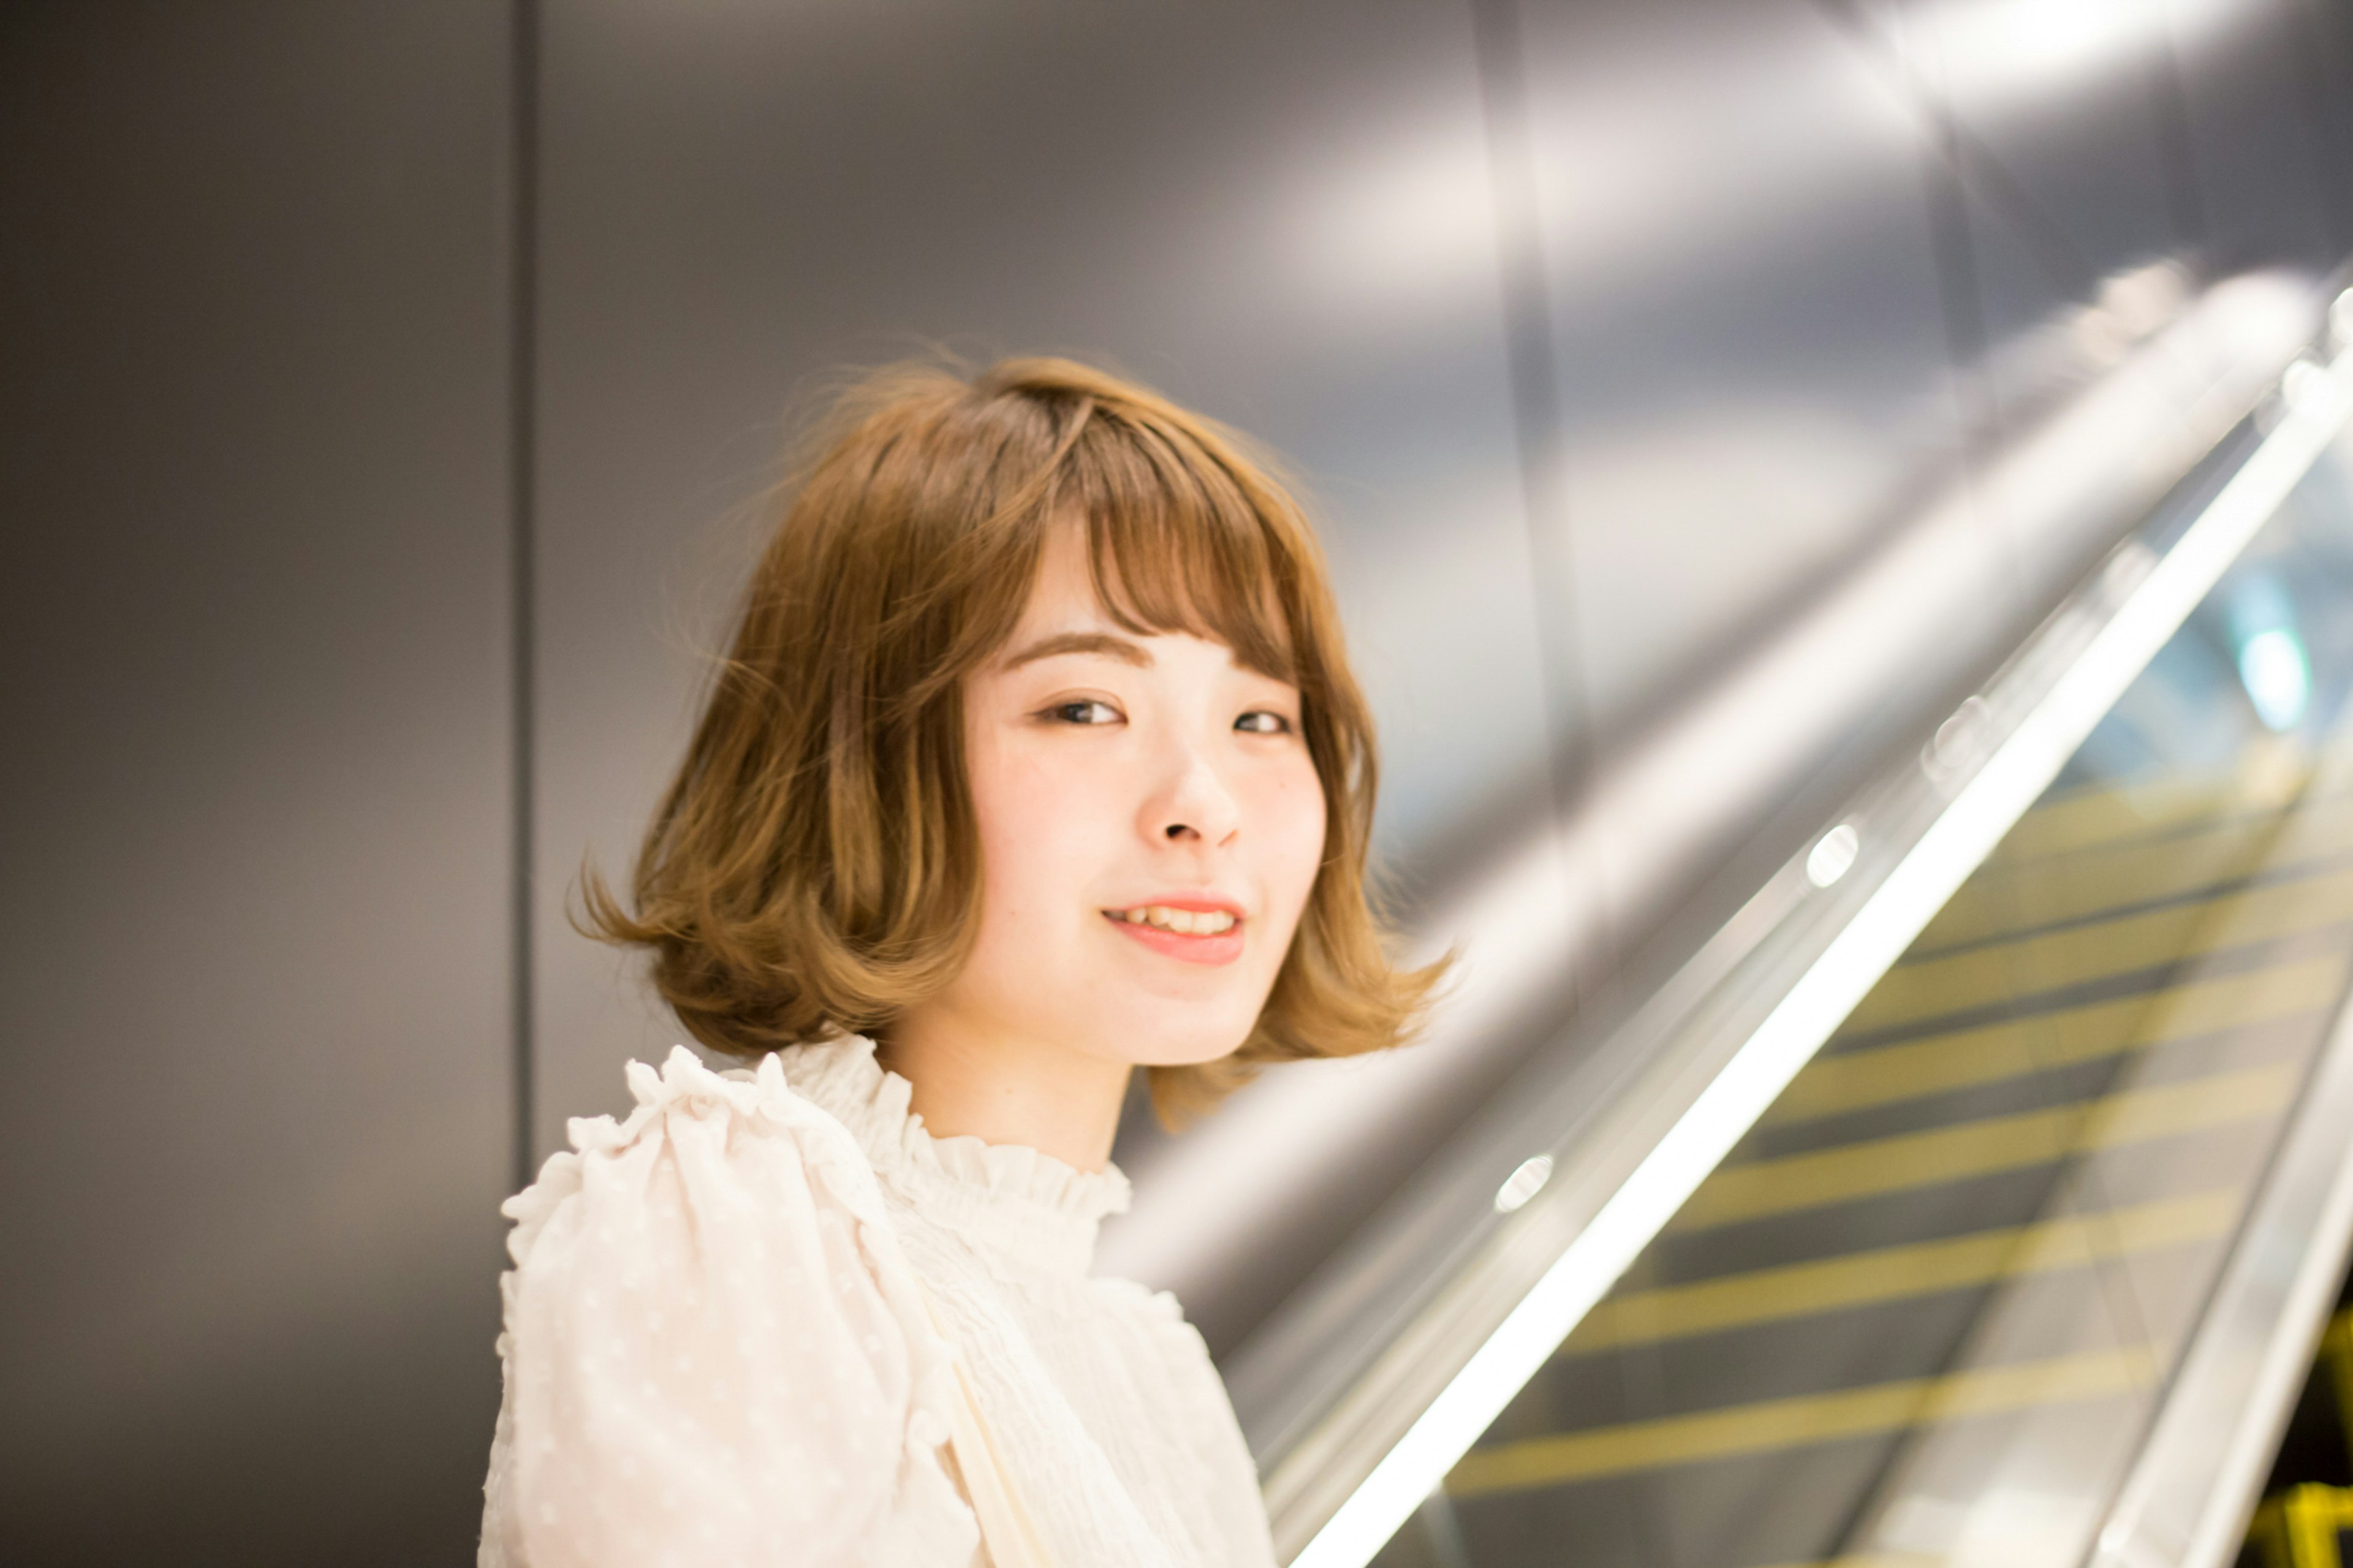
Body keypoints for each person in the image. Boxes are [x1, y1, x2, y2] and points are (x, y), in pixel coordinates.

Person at [476, 357, 1442, 1566]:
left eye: (1261, 718)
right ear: (866, 760)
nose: (1206, 805)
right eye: (1086, 707)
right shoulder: (738, 1218)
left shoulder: (1157, 1381)